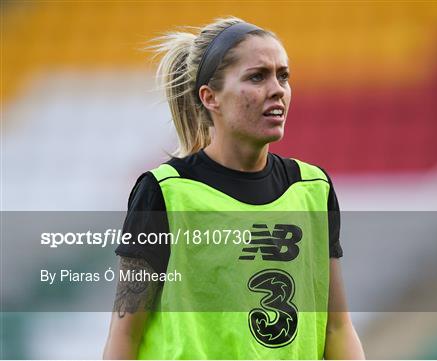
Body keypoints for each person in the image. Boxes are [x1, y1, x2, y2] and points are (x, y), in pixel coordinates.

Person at [103, 16, 365, 359]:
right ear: (210, 97)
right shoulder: (164, 192)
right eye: (257, 76)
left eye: (283, 76)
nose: (277, 89)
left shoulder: (312, 188)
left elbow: (337, 327)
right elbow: (125, 335)